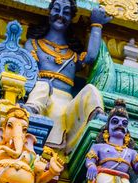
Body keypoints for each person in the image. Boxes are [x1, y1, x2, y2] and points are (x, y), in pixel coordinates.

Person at [25, 0, 110, 154]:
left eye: (66, 12)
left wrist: (97, 25)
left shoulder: (72, 55)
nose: (60, 15)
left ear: (71, 18)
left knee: (90, 90)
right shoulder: (34, 45)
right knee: (42, 85)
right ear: (49, 12)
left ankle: (98, 120)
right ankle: (30, 111)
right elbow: (27, 72)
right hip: (43, 97)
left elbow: (90, 57)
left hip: (66, 104)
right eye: (56, 9)